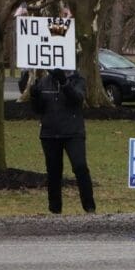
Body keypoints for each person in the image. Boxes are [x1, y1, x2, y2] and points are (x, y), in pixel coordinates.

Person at [30, 68, 96, 214]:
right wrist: (34, 95)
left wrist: (64, 82)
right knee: (53, 171)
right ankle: (55, 209)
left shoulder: (78, 80)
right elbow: (38, 109)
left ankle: (89, 207)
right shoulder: (44, 82)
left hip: (73, 132)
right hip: (50, 133)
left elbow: (77, 99)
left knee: (80, 167)